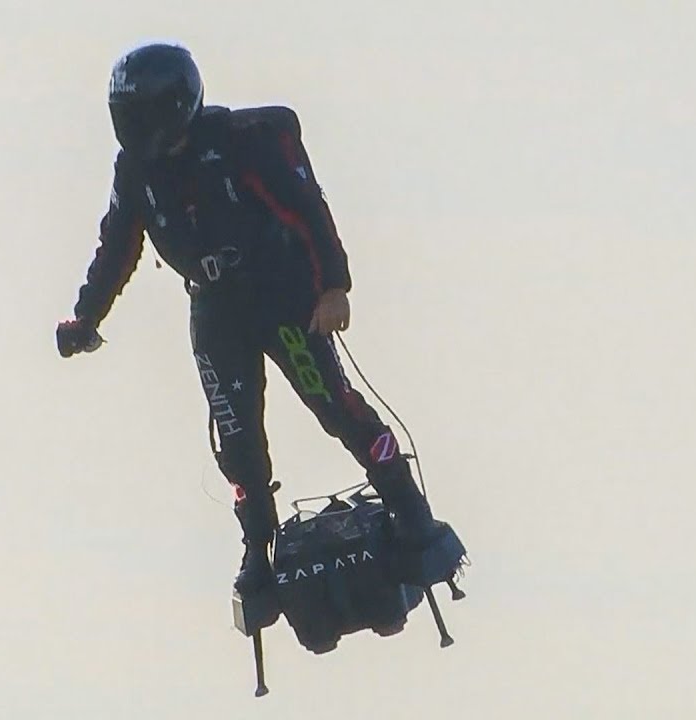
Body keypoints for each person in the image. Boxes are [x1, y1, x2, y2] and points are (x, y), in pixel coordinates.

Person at [56, 42, 441, 595]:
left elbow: (308, 209)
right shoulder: (134, 171)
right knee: (237, 438)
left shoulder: (242, 145)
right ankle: (257, 546)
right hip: (215, 314)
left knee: (333, 403)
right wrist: (85, 317)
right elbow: (117, 246)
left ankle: (405, 500)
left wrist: (334, 286)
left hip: (282, 301)